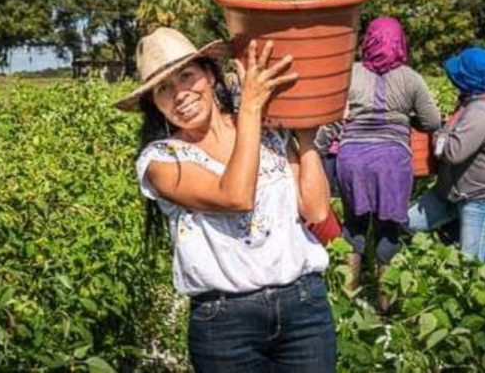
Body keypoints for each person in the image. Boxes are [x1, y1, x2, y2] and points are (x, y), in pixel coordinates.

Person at [116, 27, 336, 372]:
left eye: (187, 76)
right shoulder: (161, 161)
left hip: (304, 308)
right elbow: (235, 196)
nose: (180, 95)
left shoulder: (269, 132)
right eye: (163, 89)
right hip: (226, 324)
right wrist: (249, 107)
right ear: (154, 104)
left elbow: (316, 208)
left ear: (209, 74)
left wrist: (305, 133)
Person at [336, 17, 441, 312]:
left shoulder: (350, 74)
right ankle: (387, 310)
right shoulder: (411, 78)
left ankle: (346, 304)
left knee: (353, 227)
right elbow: (432, 122)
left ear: (367, 41)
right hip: (392, 161)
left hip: (352, 157)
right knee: (387, 230)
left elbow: (334, 113)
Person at [408, 46, 485, 262]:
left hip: (478, 198)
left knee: (473, 266)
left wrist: (437, 132)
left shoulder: (481, 112)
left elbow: (453, 152)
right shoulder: (469, 103)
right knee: (406, 223)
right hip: (449, 193)